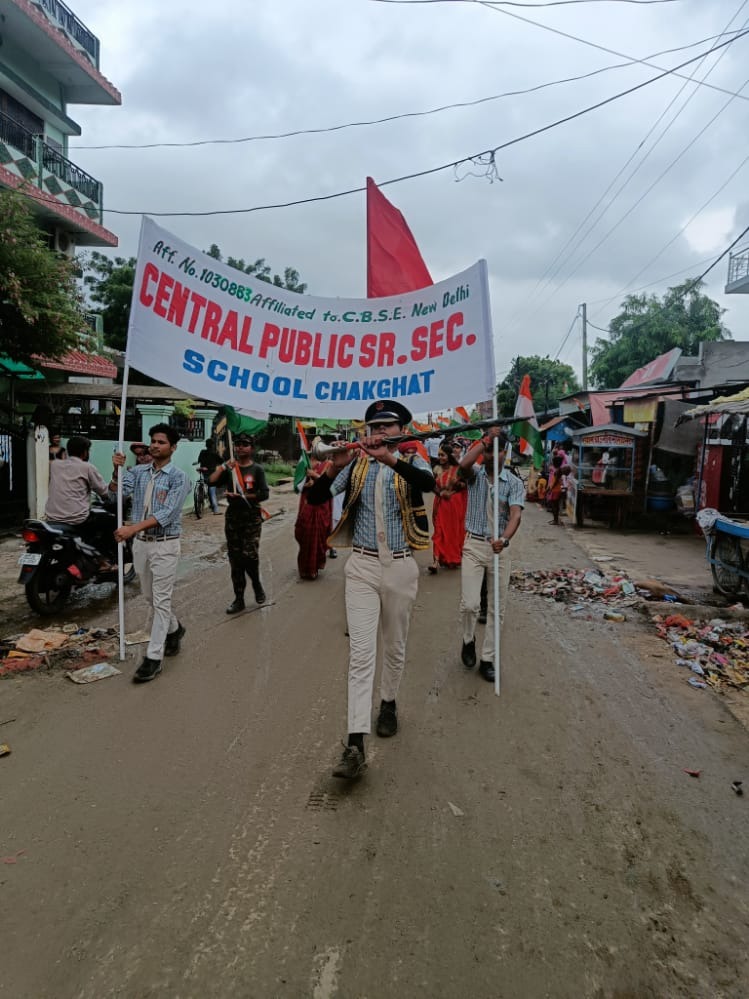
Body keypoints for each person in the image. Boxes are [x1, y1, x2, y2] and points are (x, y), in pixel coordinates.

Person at [306, 400, 435, 780]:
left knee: (394, 644)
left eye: (386, 427)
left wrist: (391, 459)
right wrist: (334, 464)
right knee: (361, 654)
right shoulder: (356, 464)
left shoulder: (413, 461)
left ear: (401, 431)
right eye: (373, 427)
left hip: (399, 566)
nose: (378, 433)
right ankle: (355, 743)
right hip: (360, 567)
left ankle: (389, 701)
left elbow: (429, 486)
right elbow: (316, 499)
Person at [110, 424, 190, 684]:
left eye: (161, 442)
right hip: (141, 545)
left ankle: (153, 658)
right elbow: (117, 492)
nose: (155, 445)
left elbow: (166, 515)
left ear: (173, 447)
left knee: (161, 600)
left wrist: (131, 528)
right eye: (153, 441)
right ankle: (175, 629)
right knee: (149, 596)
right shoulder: (138, 472)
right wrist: (116, 469)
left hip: (165, 545)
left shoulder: (179, 478)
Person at [458, 429, 524, 683]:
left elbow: (516, 515)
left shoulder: (514, 482)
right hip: (473, 545)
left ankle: (487, 658)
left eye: (496, 449)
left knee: (498, 608)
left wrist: (504, 539)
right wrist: (485, 441)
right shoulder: (474, 476)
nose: (490, 454)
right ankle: (468, 639)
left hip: (499, 548)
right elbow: (464, 463)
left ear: (505, 452)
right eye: (487, 450)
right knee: (470, 604)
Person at [209, 433, 269, 613]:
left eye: (244, 444)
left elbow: (264, 494)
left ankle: (257, 584)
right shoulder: (230, 469)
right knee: (235, 560)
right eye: (237, 444)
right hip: (233, 518)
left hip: (251, 517)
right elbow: (210, 481)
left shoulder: (257, 469)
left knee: (249, 555)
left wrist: (242, 496)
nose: (240, 447)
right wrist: (223, 466)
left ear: (251, 448)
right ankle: (239, 598)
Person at [45, 435, 114, 561]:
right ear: (85, 452)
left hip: (52, 517)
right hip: (76, 518)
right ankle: (102, 560)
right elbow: (104, 491)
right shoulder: (87, 467)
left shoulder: (55, 465)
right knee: (109, 521)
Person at [429, 441, 467, 573]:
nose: (440, 458)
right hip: (441, 504)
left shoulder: (458, 469)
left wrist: (452, 489)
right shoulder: (436, 469)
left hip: (454, 504)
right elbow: (432, 486)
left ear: (449, 456)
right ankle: (435, 562)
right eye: (439, 455)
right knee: (439, 531)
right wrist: (440, 493)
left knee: (452, 532)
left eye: (443, 455)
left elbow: (464, 486)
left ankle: (451, 557)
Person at [294, 453, 333, 580]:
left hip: (321, 505)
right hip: (307, 504)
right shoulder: (304, 463)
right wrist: (305, 484)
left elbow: (331, 484)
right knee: (305, 533)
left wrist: (315, 476)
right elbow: (297, 484)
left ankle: (314, 568)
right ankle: (304, 568)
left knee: (319, 535)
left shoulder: (329, 465)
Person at [197, 438, 222, 514]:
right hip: (212, 474)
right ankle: (216, 510)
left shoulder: (202, 452)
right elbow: (221, 461)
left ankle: (204, 498)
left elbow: (199, 460)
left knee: (205, 484)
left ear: (206, 445)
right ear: (213, 445)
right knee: (212, 491)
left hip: (204, 472)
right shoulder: (215, 454)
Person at [546, 454, 564, 526]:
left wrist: (550, 488)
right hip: (556, 489)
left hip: (556, 490)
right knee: (554, 505)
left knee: (554, 506)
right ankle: (555, 519)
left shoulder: (557, 471)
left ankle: (556, 520)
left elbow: (555, 481)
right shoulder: (558, 470)